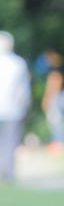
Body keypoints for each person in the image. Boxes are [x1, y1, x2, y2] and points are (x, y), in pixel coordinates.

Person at [0, 31, 31, 183]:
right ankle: (7, 171)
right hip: (12, 109)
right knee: (10, 141)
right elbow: (23, 90)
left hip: (10, 109)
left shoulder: (18, 63)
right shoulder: (18, 63)